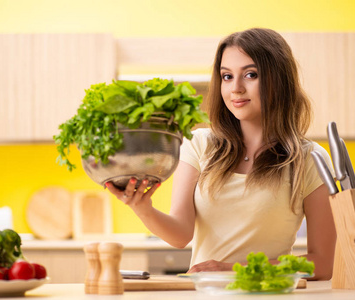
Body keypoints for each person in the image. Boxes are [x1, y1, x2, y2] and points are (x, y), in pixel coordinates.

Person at [105, 28, 336, 280]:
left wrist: (234, 271)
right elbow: (181, 235)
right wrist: (143, 207)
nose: (235, 88)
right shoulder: (199, 143)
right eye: (227, 76)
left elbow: (322, 263)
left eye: (250, 74)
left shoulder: (309, 159)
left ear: (278, 79)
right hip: (205, 293)